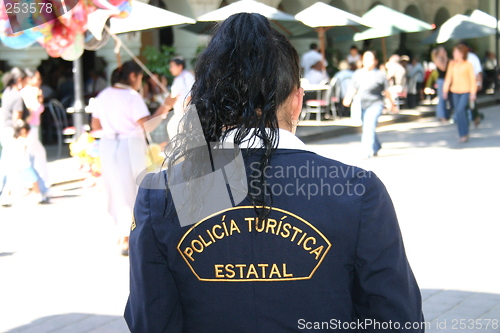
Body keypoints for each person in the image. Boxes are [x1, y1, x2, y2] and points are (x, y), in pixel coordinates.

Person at [125, 13, 423, 332]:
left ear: (204, 102)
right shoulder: (358, 191)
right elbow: (397, 318)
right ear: (297, 101)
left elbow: (150, 320)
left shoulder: (162, 194)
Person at [91, 61, 172, 255]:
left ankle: (123, 234)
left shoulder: (103, 95)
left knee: (115, 188)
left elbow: (95, 125)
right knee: (132, 189)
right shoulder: (131, 96)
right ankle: (128, 236)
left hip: (109, 145)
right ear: (133, 76)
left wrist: (114, 129)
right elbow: (147, 126)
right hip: (128, 145)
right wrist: (165, 107)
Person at [343, 50, 396, 159]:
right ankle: (376, 146)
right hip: (362, 105)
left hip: (375, 104)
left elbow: (386, 91)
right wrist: (347, 98)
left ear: (375, 61)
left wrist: (392, 104)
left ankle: (366, 151)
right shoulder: (358, 74)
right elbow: (353, 88)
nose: (368, 62)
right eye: (366, 59)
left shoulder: (380, 75)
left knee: (369, 127)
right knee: (367, 127)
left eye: (371, 59)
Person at [0, 67, 28, 206]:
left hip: (4, 129)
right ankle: (6, 193)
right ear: (19, 79)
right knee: (14, 164)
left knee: (5, 162)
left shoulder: (6, 92)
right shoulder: (16, 96)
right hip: (12, 131)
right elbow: (17, 119)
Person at [20, 68, 50, 190]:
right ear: (29, 79)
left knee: (35, 155)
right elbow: (32, 110)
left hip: (32, 126)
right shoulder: (29, 92)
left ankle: (37, 182)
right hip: (29, 127)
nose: (40, 81)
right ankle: (39, 183)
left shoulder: (32, 91)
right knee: (32, 156)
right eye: (37, 78)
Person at [443, 43, 477, 143]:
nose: (454, 54)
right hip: (455, 90)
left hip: (465, 90)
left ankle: (464, 133)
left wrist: (473, 93)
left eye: (456, 52)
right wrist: (445, 90)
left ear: (462, 54)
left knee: (461, 109)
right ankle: (462, 133)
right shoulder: (452, 64)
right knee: (458, 112)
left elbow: (472, 79)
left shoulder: (468, 64)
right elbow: (448, 77)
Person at [163, 56, 195, 141]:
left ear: (180, 66)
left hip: (186, 112)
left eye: (172, 66)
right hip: (178, 112)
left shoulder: (187, 76)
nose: (171, 69)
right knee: (173, 129)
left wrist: (186, 104)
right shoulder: (177, 79)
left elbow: (192, 92)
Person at [431, 46, 450, 123]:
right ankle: (441, 116)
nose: (444, 52)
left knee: (445, 99)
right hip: (441, 80)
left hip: (446, 79)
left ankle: (445, 115)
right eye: (443, 50)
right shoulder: (438, 59)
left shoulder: (442, 58)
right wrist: (445, 57)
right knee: (442, 98)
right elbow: (443, 68)